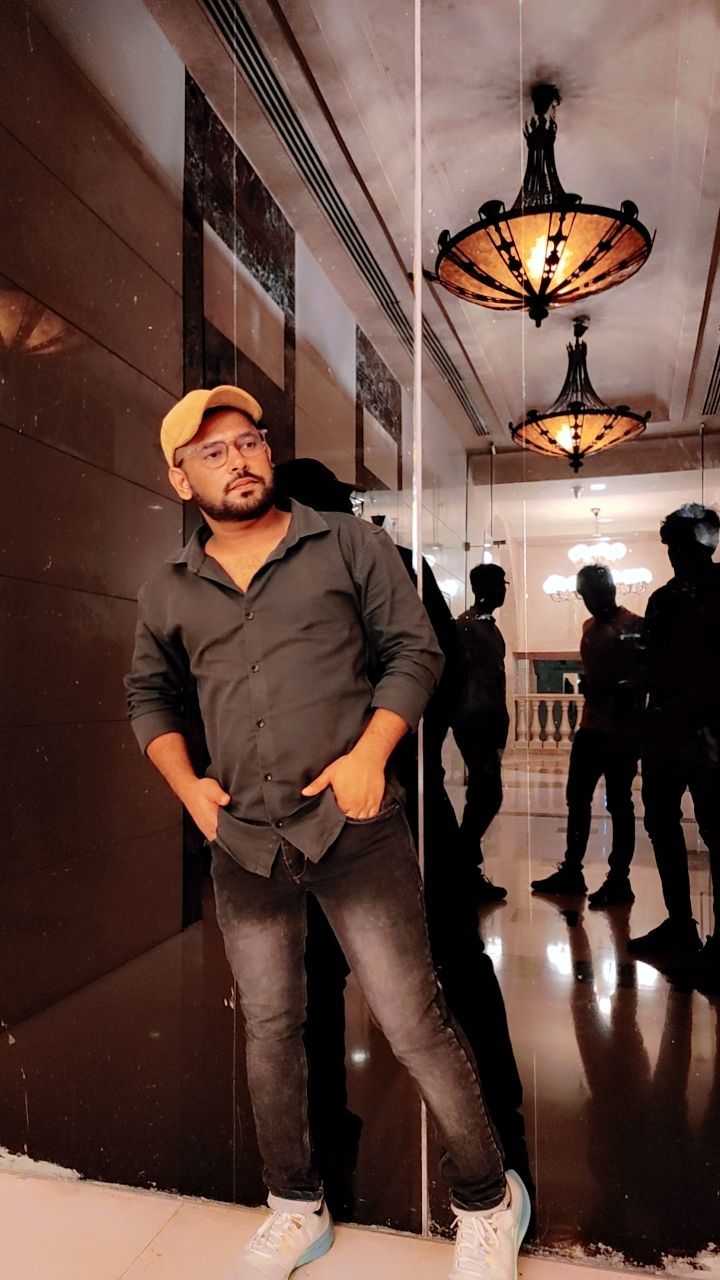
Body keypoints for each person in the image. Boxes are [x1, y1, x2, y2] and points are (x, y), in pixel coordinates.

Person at [125, 387, 530, 1280]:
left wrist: (370, 753)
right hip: (243, 842)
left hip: (354, 829)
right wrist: (190, 790)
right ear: (181, 478)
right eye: (213, 451)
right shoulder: (168, 589)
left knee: (411, 1021)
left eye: (248, 441)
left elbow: (416, 650)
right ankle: (295, 1204)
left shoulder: (348, 544)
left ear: (267, 453)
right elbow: (148, 695)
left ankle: (488, 1200)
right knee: (272, 1029)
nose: (237, 459)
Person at [274, 458, 534, 1199]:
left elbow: (430, 674)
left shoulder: (347, 565)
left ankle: (333, 1141)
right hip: (399, 795)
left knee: (329, 977)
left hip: (353, 801)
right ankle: (500, 1125)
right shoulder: (395, 561)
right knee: (451, 959)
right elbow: (439, 683)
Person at [628, 504, 720, 995]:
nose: (675, 555)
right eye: (671, 547)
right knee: (661, 822)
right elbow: (652, 660)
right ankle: (680, 921)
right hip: (665, 731)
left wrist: (675, 709)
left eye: (680, 545)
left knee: (715, 828)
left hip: (707, 730)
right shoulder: (663, 598)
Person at [531, 565, 642, 906]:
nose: (590, 601)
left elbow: (644, 676)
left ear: (609, 589)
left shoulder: (634, 625)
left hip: (620, 730)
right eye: (585, 595)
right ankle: (572, 871)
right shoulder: (589, 627)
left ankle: (619, 878)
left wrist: (616, 690)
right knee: (577, 800)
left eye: (593, 593)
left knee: (619, 803)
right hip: (590, 728)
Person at [452, 564, 510, 902]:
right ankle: (462, 866)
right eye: (499, 583)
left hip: (487, 722)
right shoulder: (467, 627)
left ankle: (464, 867)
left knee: (484, 796)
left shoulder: (488, 628)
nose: (504, 589)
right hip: (475, 722)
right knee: (488, 796)